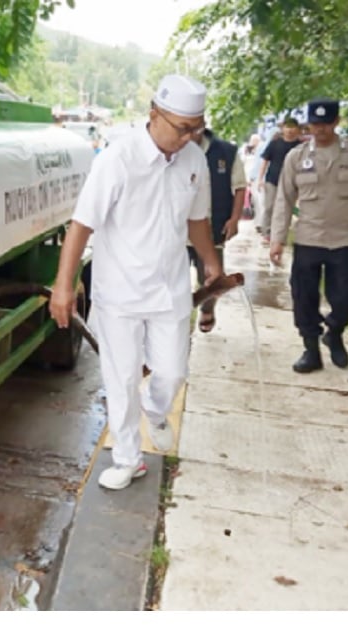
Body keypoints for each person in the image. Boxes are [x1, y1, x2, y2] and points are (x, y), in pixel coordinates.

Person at [49, 74, 221, 491]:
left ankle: (156, 410)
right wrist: (63, 285)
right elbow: (81, 225)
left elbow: (197, 220)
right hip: (120, 292)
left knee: (172, 372)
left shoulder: (194, 159)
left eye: (196, 128)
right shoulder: (117, 159)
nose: (189, 137)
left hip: (171, 290)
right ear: (154, 114)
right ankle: (129, 458)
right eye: (183, 127)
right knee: (122, 379)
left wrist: (211, 261)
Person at [269, 99, 348, 373]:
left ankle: (334, 331)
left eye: (326, 124)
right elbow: (284, 198)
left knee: (346, 296)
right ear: (309, 123)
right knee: (304, 297)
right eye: (315, 124)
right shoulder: (296, 156)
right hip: (308, 238)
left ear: (336, 122)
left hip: (343, 239)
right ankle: (311, 350)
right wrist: (277, 238)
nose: (320, 129)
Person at [189, 128, 246, 332]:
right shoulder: (175, 149)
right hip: (178, 232)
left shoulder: (226, 151)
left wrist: (234, 218)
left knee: (211, 278)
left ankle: (207, 308)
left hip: (213, 227)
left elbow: (239, 187)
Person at [258, 118, 303, 243]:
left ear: (298, 130)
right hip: (272, 179)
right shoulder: (275, 143)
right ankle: (266, 233)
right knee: (269, 206)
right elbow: (265, 161)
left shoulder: (300, 147)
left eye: (293, 127)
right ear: (282, 129)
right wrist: (260, 179)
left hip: (291, 182)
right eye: (287, 127)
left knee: (286, 208)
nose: (290, 130)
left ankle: (280, 235)